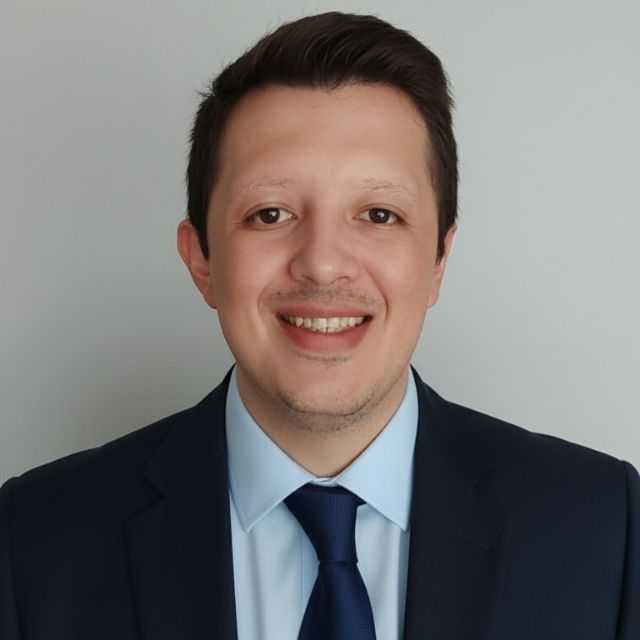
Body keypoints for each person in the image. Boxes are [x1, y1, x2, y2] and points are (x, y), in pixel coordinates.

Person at [1, 10, 638, 640]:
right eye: (270, 213)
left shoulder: (605, 526)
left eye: (379, 214)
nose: (323, 264)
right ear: (201, 260)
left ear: (439, 260)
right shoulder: (30, 540)